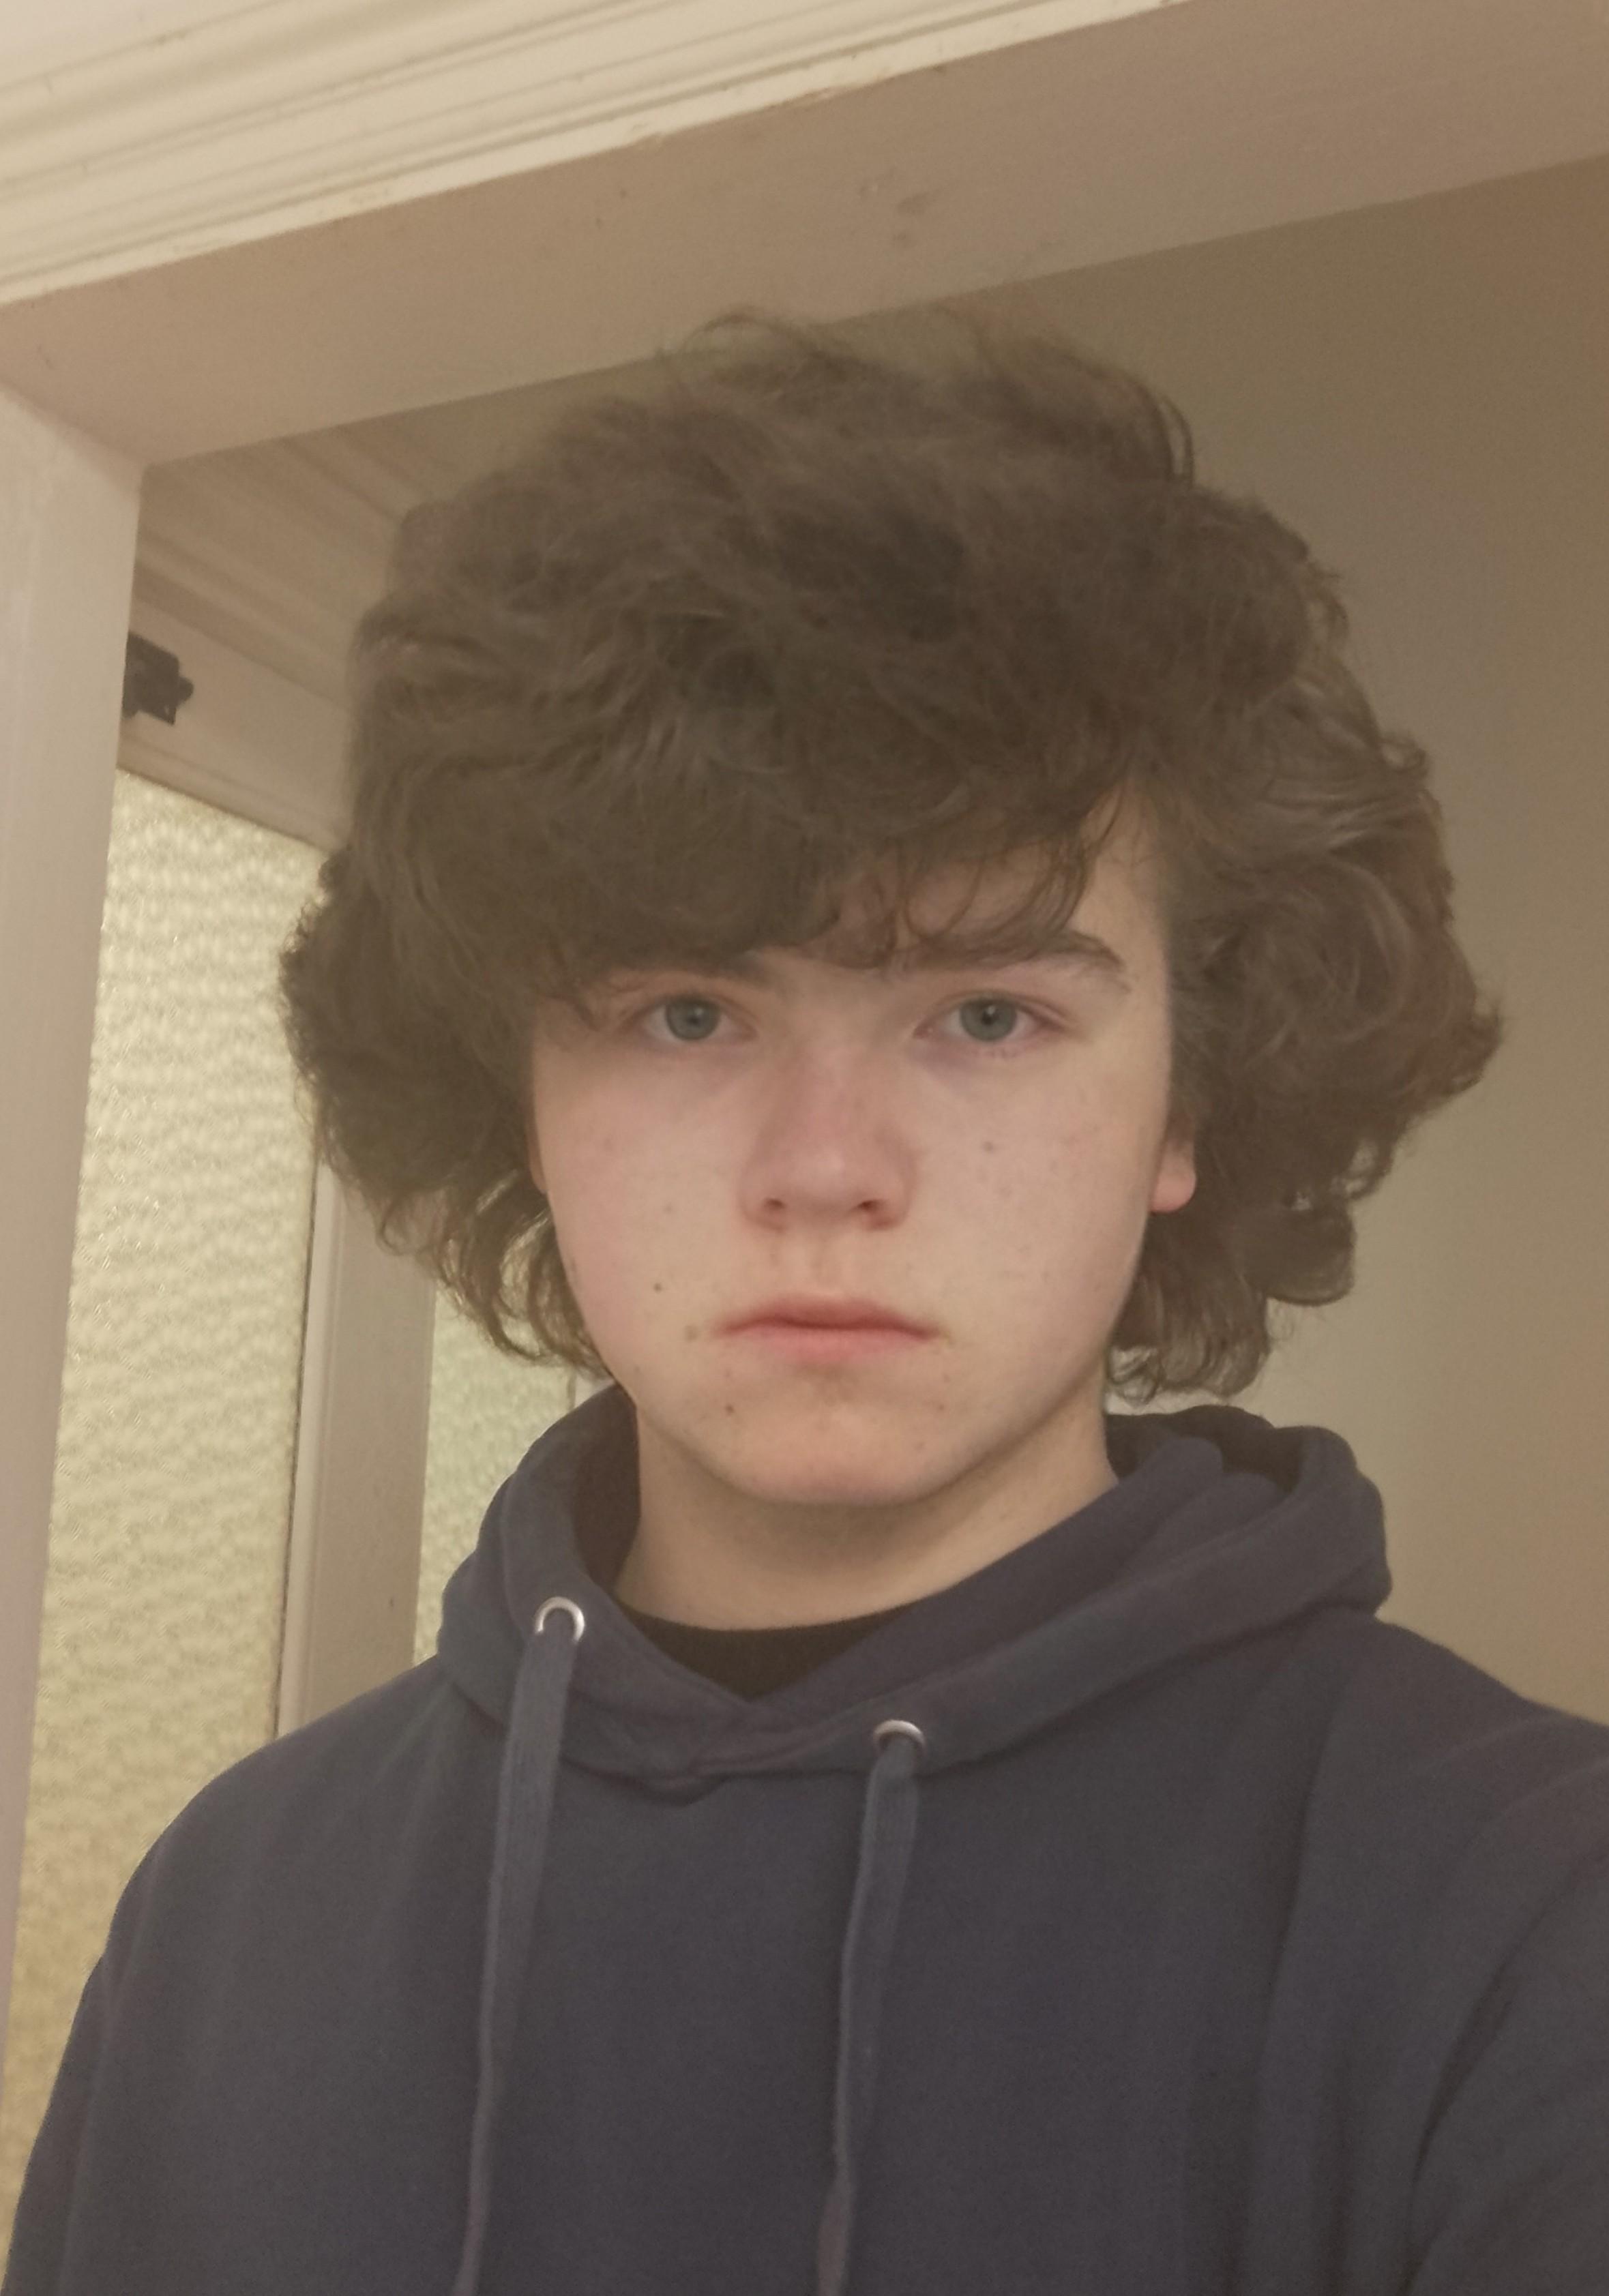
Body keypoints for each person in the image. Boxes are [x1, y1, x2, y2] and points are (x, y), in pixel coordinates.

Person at [6, 308, 1606, 2296]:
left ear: (1187, 1104)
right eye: (688, 1012)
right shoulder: (230, 1908)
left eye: (988, 1015)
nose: (828, 1163)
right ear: (520, 1094)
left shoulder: (1528, 1927)